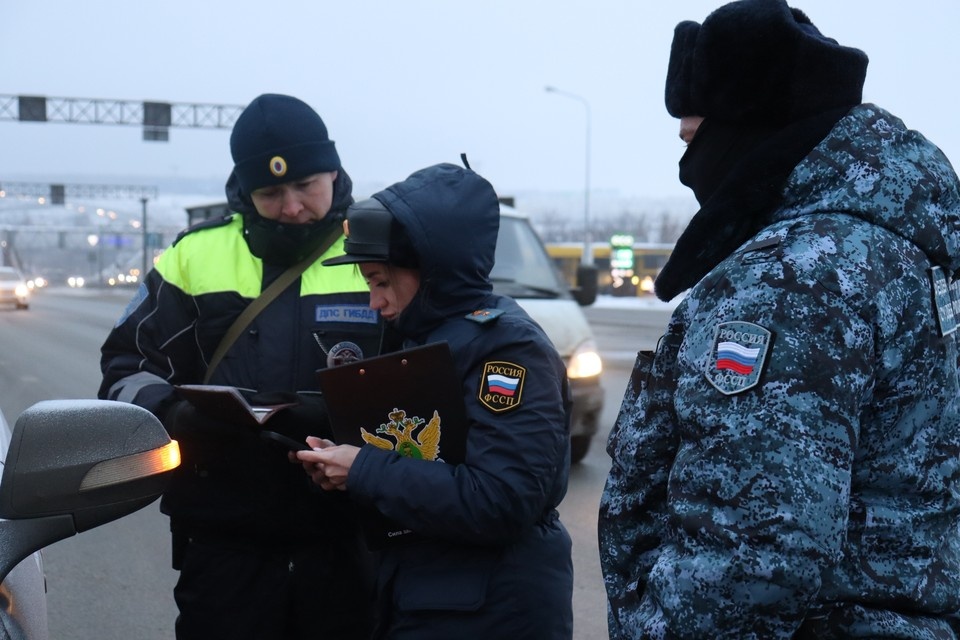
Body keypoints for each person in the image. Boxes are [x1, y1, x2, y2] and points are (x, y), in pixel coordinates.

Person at [598, 1, 960, 638]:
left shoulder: (791, 281)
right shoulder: (910, 249)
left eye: (693, 140)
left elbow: (752, 554)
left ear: (750, 129)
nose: (687, 168)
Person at [99, 93, 393, 639]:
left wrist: (343, 417)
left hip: (350, 540)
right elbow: (124, 367)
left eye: (306, 185)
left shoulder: (381, 249)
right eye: (270, 192)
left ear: (334, 169)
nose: (290, 206)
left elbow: (429, 381)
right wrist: (175, 413)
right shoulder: (193, 255)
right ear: (244, 189)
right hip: (223, 543)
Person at [298, 161, 574, 639]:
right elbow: (428, 464)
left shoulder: (506, 350)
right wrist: (343, 466)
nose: (374, 303)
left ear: (430, 270)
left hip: (492, 612)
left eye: (381, 281)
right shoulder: (425, 338)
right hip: (439, 598)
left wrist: (363, 468)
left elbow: (502, 499)